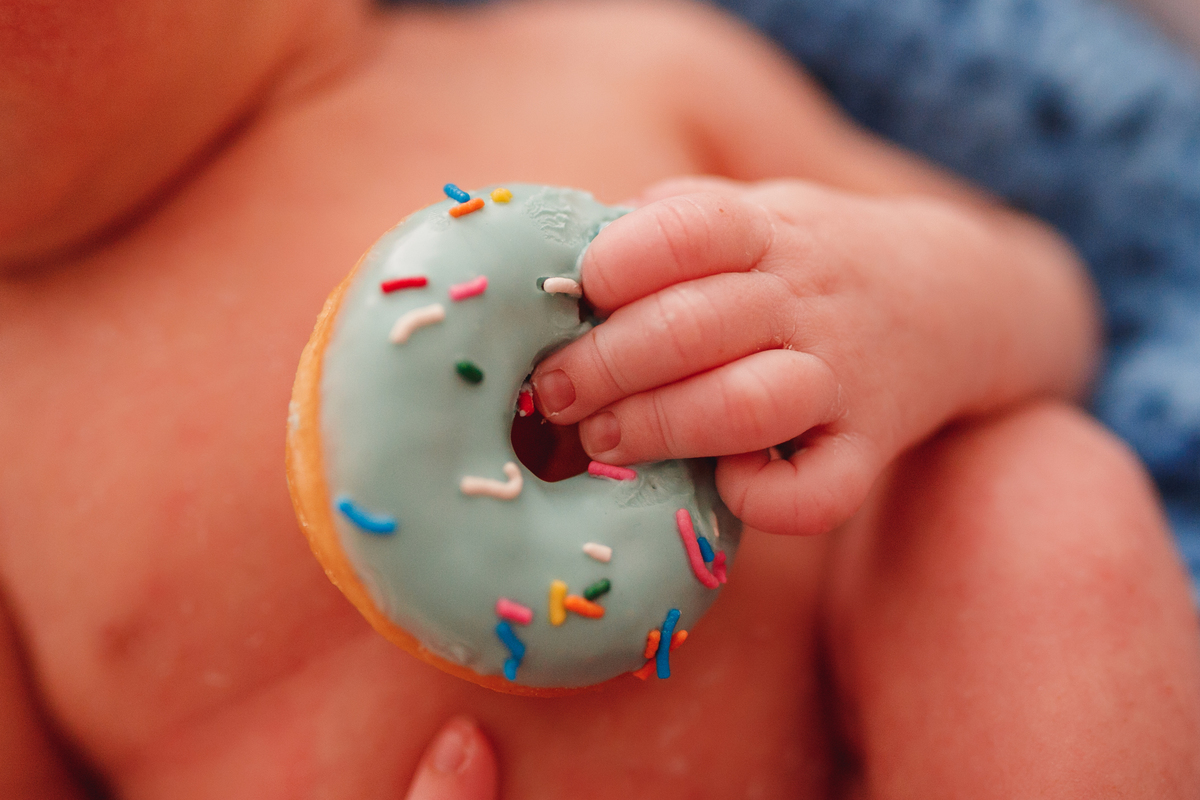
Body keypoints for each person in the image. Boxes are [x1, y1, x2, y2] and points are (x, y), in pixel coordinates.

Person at [1, 1, 1197, 798]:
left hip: (892, 735)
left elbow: (1056, 303)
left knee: (1034, 500)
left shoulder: (613, 57)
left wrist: (891, 307)